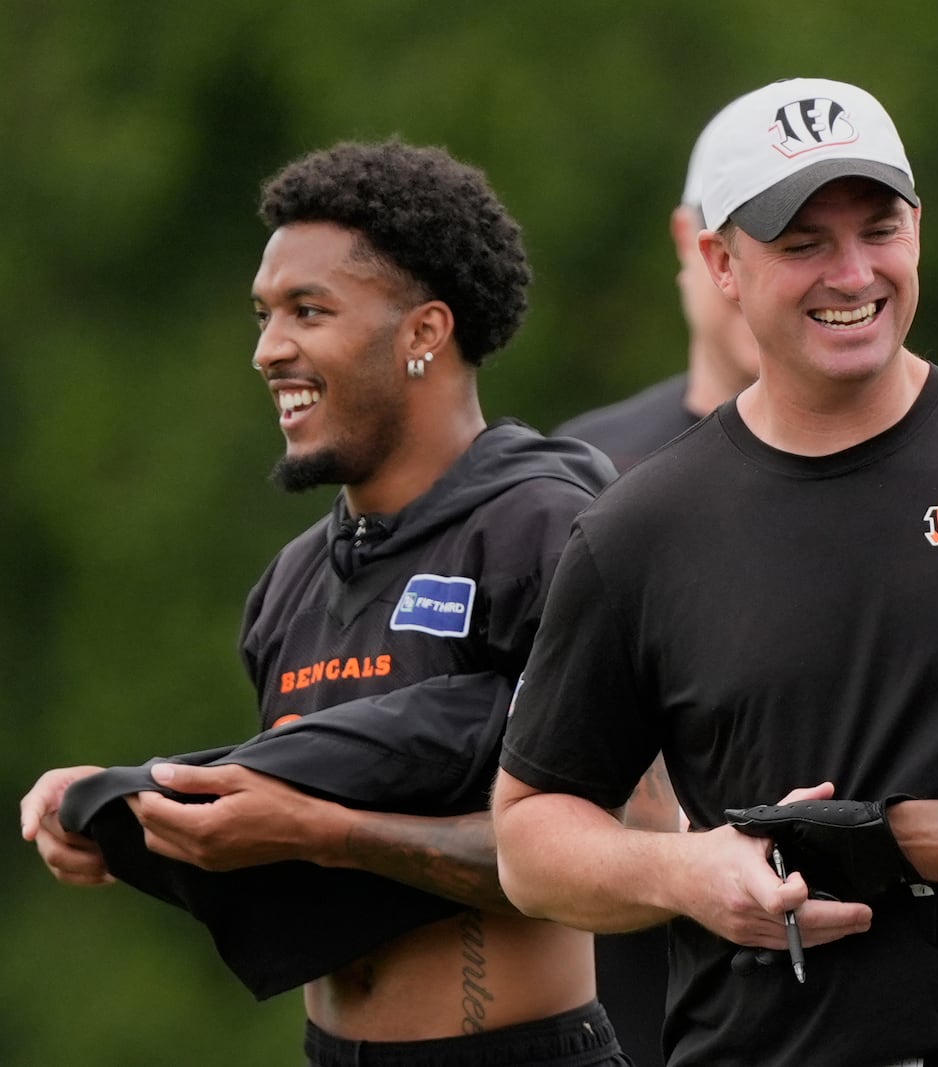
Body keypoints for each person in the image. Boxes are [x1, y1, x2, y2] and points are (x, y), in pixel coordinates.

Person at [492, 77, 938, 1066]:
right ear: (720, 262)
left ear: (919, 230)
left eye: (878, 230)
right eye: (803, 243)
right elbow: (529, 837)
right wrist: (688, 871)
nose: (851, 274)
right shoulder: (640, 527)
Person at [20, 141, 629, 1067]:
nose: (269, 349)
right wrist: (130, 815)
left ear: (424, 332)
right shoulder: (289, 581)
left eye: (309, 311)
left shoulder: (545, 527)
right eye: (265, 315)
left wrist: (328, 832)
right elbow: (293, 825)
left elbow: (632, 849)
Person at [553, 102, 764, 1067]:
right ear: (694, 242)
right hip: (647, 1003)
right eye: (751, 237)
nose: (770, 275)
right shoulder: (583, 467)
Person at [553, 101, 762, 471]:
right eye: (733, 246)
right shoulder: (589, 463)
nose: (766, 281)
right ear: (686, 240)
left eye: (804, 246)